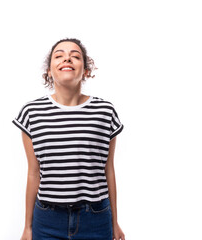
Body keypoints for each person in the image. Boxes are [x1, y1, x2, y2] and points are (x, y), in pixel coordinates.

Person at [13, 38, 126, 240]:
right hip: (47, 221)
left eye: (75, 56)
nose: (67, 58)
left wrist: (114, 222)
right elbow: (33, 173)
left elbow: (108, 169)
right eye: (59, 55)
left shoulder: (105, 111)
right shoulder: (32, 113)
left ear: (86, 71)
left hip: (96, 219)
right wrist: (28, 227)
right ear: (49, 71)